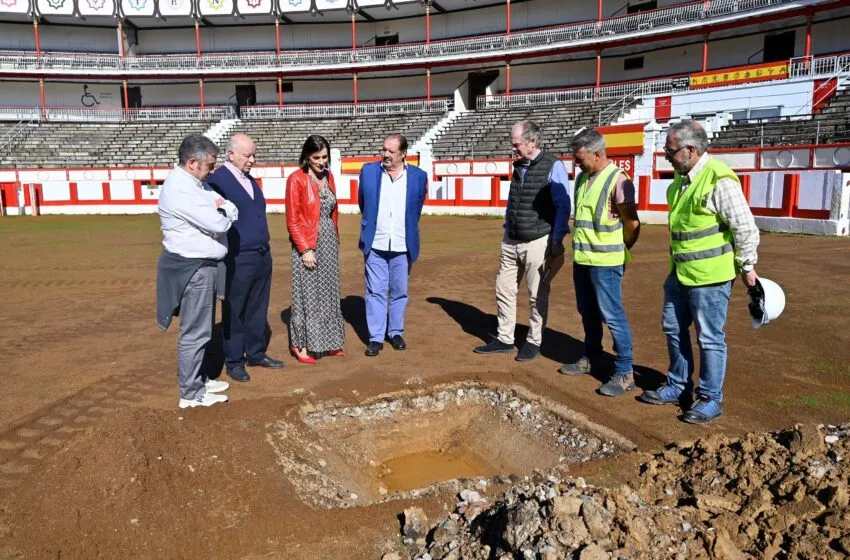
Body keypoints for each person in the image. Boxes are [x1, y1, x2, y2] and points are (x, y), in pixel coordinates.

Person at [638, 119, 760, 424]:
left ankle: (710, 398)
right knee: (673, 330)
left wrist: (747, 266)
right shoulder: (682, 181)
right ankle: (678, 385)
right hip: (679, 274)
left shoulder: (719, 179)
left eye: (670, 150)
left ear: (690, 150)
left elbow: (744, 227)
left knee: (709, 338)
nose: (666, 155)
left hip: (710, 279)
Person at [473, 120, 571, 362]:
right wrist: (508, 228)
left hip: (538, 240)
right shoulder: (519, 166)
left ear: (532, 142)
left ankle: (533, 341)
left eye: (516, 144)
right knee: (504, 289)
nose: (513, 148)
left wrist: (557, 238)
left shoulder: (553, 165)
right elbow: (514, 201)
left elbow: (563, 205)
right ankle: (505, 339)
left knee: (537, 293)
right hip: (512, 239)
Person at [156, 134, 238, 408]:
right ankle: (190, 393)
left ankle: (199, 380)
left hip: (202, 266)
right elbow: (219, 223)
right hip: (193, 268)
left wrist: (223, 210)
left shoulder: (194, 184)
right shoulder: (180, 189)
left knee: (200, 330)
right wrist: (222, 213)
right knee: (195, 333)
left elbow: (227, 208)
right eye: (210, 165)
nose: (212, 170)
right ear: (192, 163)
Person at [558, 128, 641, 397]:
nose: (576, 163)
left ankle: (625, 372)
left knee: (613, 315)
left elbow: (632, 224)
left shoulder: (619, 180)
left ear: (598, 153)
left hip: (606, 261)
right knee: (588, 312)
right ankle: (591, 357)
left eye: (580, 158)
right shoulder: (583, 178)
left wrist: (620, 249)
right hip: (583, 258)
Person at [207, 133, 283, 382]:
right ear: (231, 154)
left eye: (253, 155)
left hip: (261, 254)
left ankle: (256, 352)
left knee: (257, 307)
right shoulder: (217, 180)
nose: (252, 159)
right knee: (235, 309)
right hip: (237, 256)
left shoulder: (249, 180)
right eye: (247, 155)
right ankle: (234, 361)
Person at [358, 133, 428, 357]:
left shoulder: (418, 176)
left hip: (402, 243)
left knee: (399, 292)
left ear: (403, 153)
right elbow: (363, 202)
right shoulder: (368, 172)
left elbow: (416, 209)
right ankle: (376, 337)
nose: (385, 154)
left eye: (391, 151)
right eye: (383, 150)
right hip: (376, 242)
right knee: (375, 292)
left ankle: (395, 332)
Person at [285, 134, 345, 363]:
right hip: (308, 241)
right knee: (307, 295)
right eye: (316, 157)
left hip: (329, 240)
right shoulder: (296, 179)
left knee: (329, 292)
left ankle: (329, 342)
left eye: (325, 157)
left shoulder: (329, 177)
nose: (321, 162)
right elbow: (292, 220)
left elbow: (332, 212)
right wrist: (305, 249)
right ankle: (300, 345)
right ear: (306, 157)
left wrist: (334, 239)